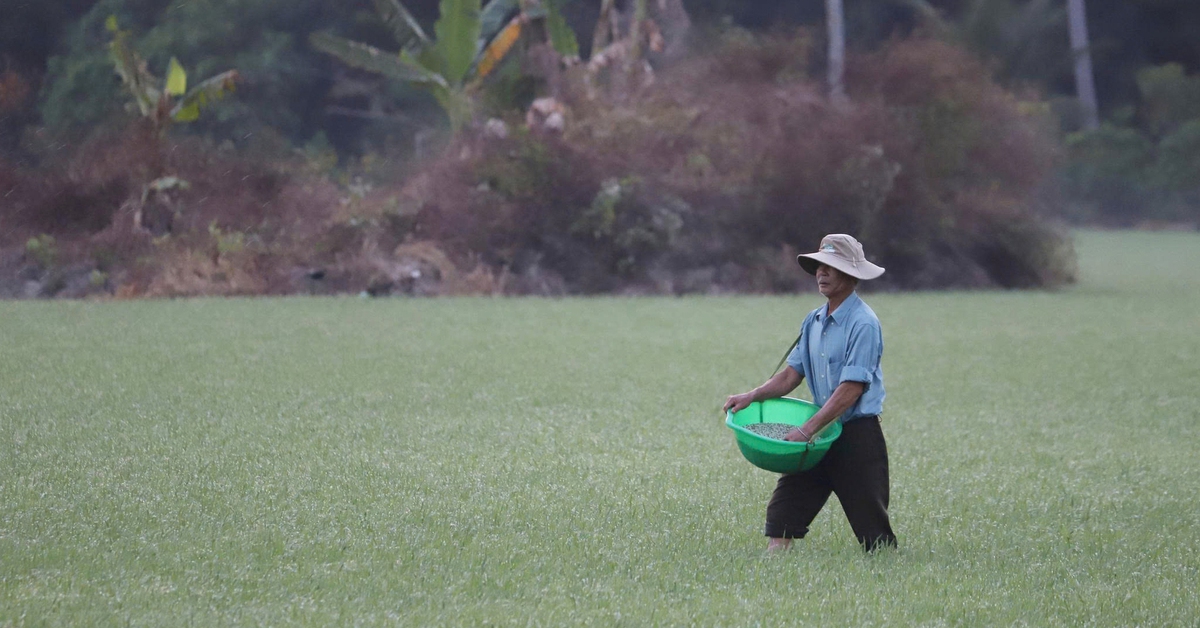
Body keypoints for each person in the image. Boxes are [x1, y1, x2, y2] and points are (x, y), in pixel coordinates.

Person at [723, 234, 897, 552]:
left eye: (832, 267)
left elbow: (852, 389)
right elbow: (792, 374)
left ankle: (886, 573)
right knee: (782, 516)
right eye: (819, 266)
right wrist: (752, 396)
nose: (822, 273)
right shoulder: (813, 321)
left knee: (874, 534)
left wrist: (806, 430)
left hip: (856, 437)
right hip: (817, 436)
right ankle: (775, 569)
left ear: (852, 275)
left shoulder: (864, 324)